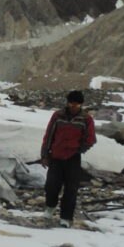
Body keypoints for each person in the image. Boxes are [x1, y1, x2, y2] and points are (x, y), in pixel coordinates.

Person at [39, 89, 96, 228]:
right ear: (67, 102)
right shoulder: (58, 116)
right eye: (71, 103)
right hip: (56, 156)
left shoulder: (86, 119)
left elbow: (90, 139)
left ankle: (66, 217)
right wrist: (45, 155)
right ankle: (50, 208)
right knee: (51, 185)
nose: (73, 106)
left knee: (71, 189)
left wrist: (79, 149)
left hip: (73, 158)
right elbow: (49, 136)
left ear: (81, 105)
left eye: (76, 104)